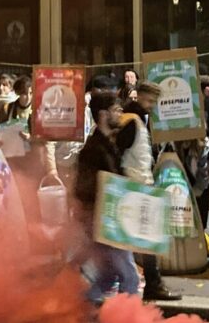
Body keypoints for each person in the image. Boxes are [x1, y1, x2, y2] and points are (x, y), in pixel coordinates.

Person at [115, 81, 181, 301]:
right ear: (139, 96)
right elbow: (120, 153)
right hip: (135, 185)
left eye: (154, 102)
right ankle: (151, 285)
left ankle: (146, 284)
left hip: (138, 184)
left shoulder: (137, 119)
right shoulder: (131, 121)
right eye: (149, 101)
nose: (152, 105)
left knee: (143, 238)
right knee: (146, 238)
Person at [73, 92, 139, 304]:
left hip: (109, 221)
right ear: (103, 114)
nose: (120, 114)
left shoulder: (108, 145)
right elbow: (84, 189)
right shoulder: (93, 149)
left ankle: (77, 311)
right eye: (116, 109)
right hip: (104, 222)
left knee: (107, 277)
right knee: (129, 277)